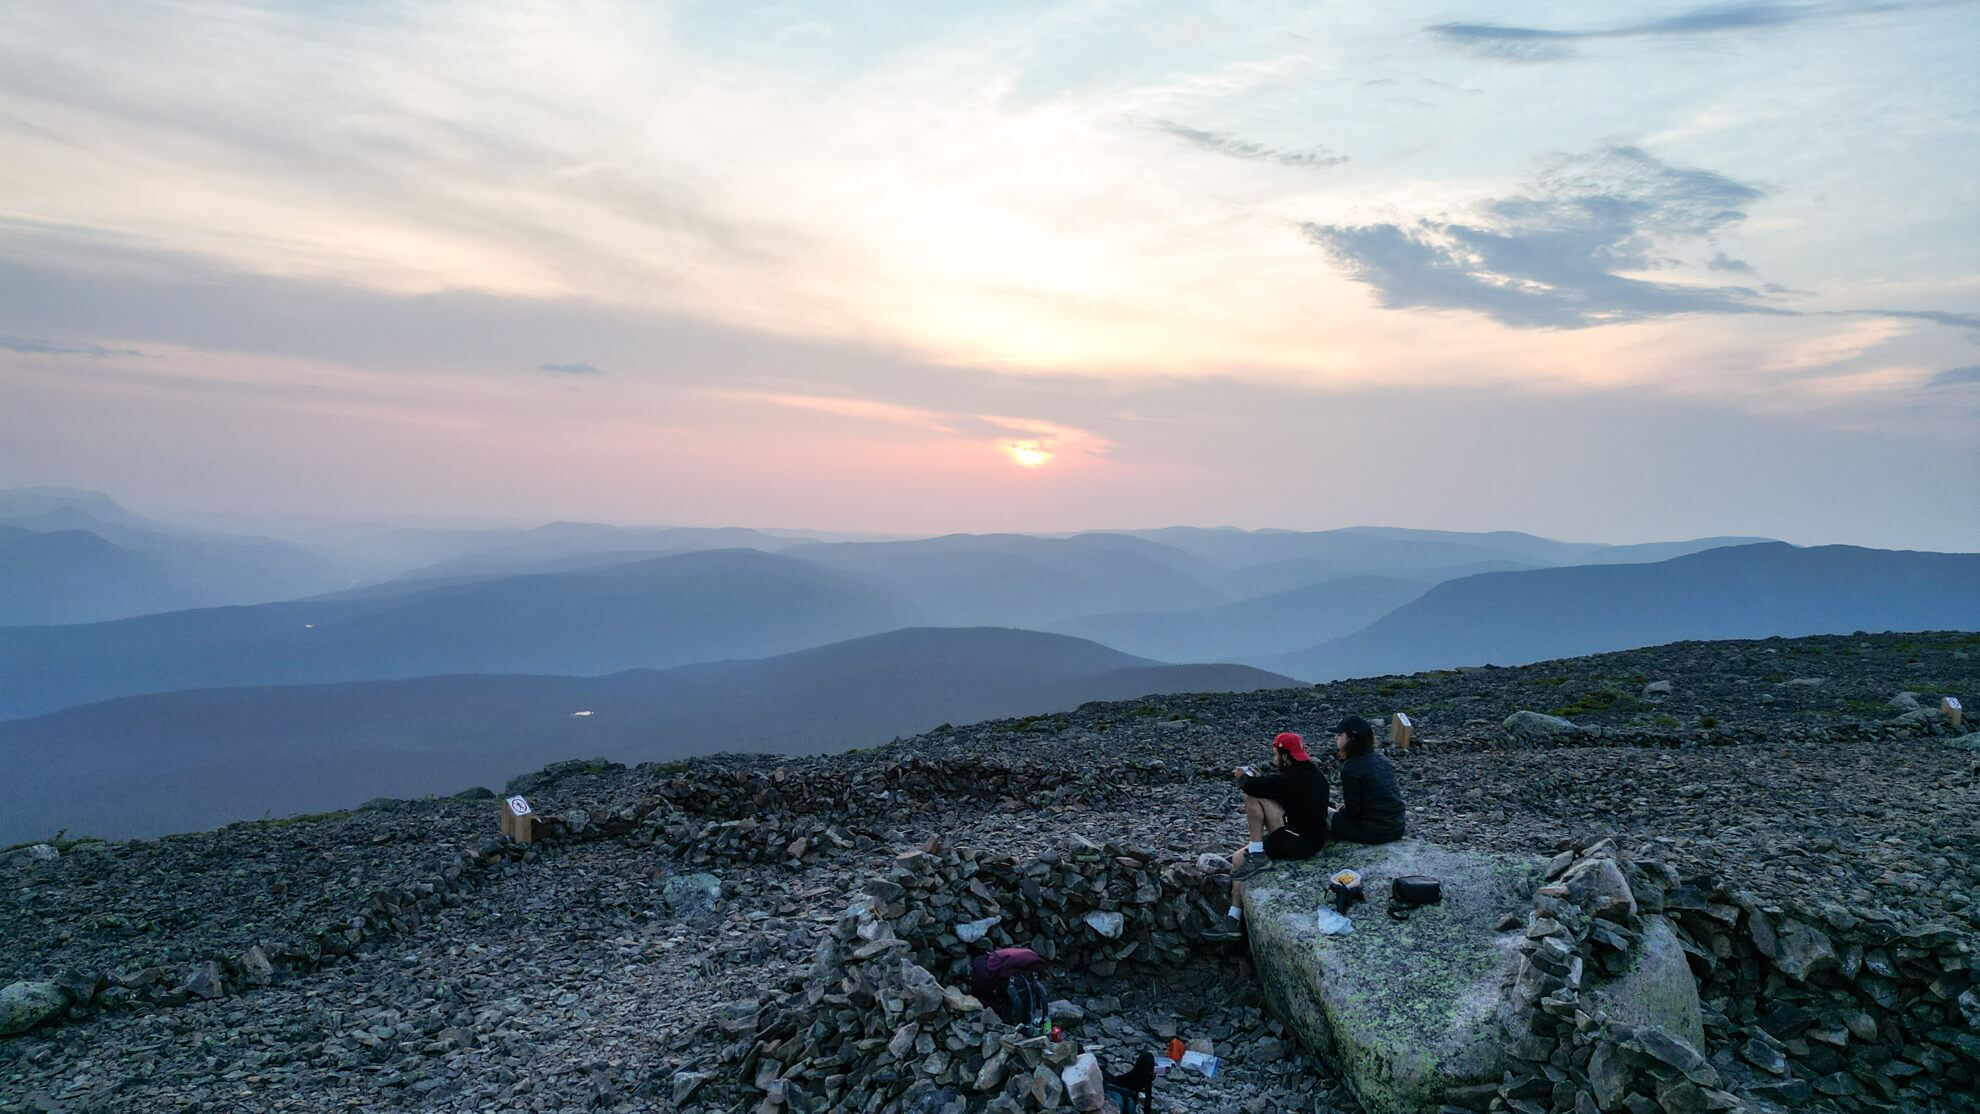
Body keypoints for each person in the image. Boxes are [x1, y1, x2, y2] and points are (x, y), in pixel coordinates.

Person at [1206, 732, 1329, 939]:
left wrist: (1243, 778)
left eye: (1275, 754)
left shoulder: (1291, 778)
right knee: (1239, 854)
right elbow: (1279, 788)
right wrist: (1262, 780)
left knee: (1250, 804)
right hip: (1309, 837)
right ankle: (1254, 855)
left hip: (1298, 842)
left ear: (1285, 755)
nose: (1275, 759)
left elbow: (1254, 787)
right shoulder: (1312, 775)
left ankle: (1233, 920)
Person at [1328, 715, 1405, 844]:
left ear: (1351, 738)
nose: (1336, 737)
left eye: (1340, 734)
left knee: (1325, 813)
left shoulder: (1351, 767)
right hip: (1397, 827)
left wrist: (1340, 810)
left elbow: (1353, 811)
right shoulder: (1383, 760)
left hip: (1373, 832)